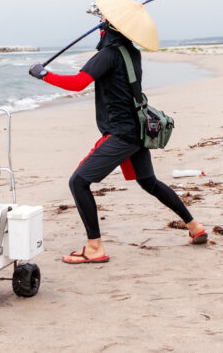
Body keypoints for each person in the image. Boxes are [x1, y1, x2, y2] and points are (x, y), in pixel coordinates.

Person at [29, 21, 207, 264]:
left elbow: (78, 83)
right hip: (139, 131)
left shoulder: (108, 54)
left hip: (122, 134)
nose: (99, 29)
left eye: (102, 25)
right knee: (149, 182)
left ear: (107, 30)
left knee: (78, 182)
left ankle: (94, 247)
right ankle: (195, 226)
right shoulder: (131, 52)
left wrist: (43, 74)